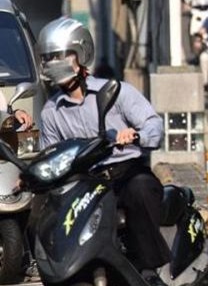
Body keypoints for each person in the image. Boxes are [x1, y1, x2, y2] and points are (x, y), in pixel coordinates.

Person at [36, 17, 170, 286]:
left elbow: (154, 126)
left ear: (82, 53)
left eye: (61, 56)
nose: (54, 63)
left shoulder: (117, 92)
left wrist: (135, 136)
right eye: (48, 58)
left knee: (140, 190)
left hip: (125, 173)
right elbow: (49, 155)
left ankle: (151, 269)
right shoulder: (51, 111)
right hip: (84, 182)